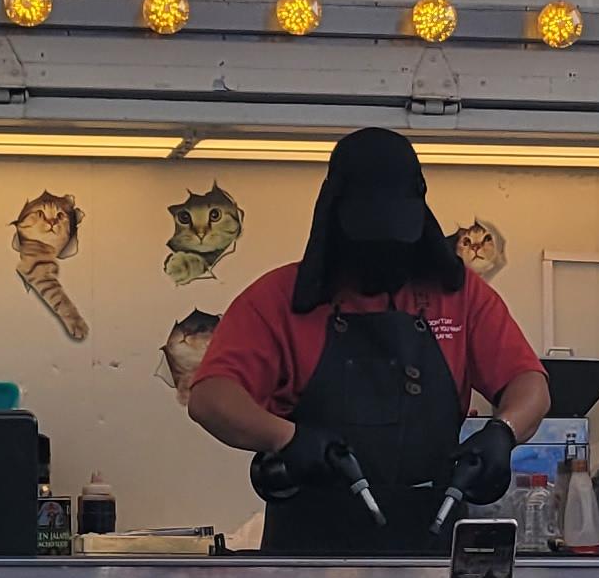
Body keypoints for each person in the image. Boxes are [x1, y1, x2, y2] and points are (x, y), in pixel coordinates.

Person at [185, 129, 549, 553]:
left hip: (432, 546)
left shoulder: (460, 296)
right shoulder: (279, 299)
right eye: (369, 242)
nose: (384, 257)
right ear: (335, 224)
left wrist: (503, 432)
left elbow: (529, 383)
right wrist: (285, 438)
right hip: (308, 556)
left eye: (397, 242)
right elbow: (211, 398)